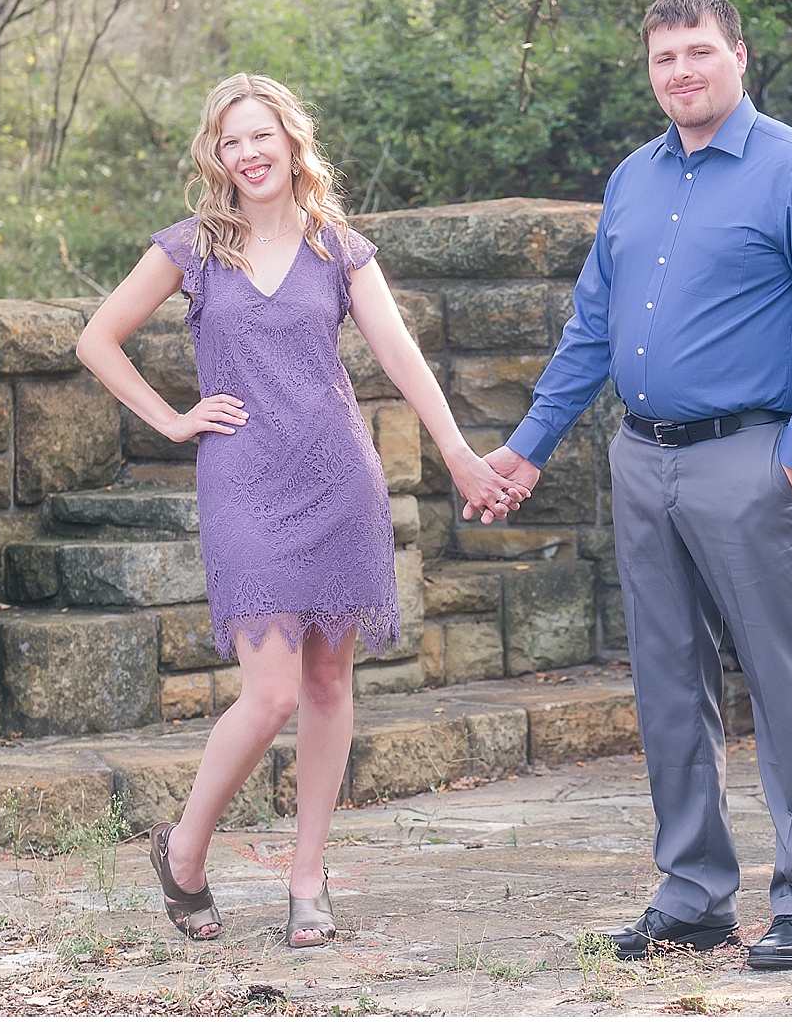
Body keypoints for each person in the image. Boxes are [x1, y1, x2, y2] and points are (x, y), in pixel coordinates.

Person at [468, 0, 792, 970]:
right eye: (664, 59)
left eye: (698, 52)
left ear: (739, 55)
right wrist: (526, 447)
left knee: (783, 688)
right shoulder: (632, 180)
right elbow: (590, 335)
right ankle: (694, 892)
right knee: (665, 686)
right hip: (641, 460)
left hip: (751, 460)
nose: (681, 72)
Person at [76, 72, 527, 948]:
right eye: (231, 140)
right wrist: (172, 419)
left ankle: (307, 879)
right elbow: (96, 338)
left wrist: (461, 456)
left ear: (292, 141)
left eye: (261, 136)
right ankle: (184, 851)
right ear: (217, 152)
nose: (248, 154)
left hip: (338, 482)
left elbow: (403, 362)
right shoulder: (192, 249)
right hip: (243, 481)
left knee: (327, 681)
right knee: (272, 690)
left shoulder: (339, 248)